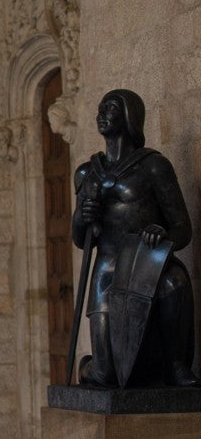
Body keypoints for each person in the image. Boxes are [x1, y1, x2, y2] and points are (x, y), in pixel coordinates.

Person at [72, 88, 198, 388]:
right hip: (107, 269)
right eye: (100, 107)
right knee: (105, 376)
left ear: (130, 116)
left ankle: (175, 364)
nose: (101, 113)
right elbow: (79, 239)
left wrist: (162, 233)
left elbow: (183, 229)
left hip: (146, 266)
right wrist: (83, 216)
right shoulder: (87, 173)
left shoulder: (154, 166)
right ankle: (88, 366)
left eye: (111, 108)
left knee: (174, 281)